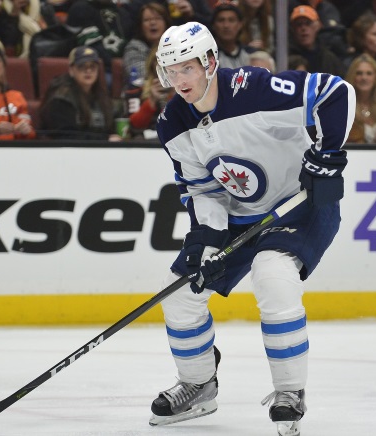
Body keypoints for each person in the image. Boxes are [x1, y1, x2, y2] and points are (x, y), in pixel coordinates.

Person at [150, 21, 354, 435]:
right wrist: (206, 242)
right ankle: (198, 383)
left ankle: (289, 393)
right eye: (170, 71)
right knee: (181, 295)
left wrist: (327, 153)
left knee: (272, 274)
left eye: (186, 68)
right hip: (239, 215)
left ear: (209, 62)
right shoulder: (173, 122)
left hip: (300, 206)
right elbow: (201, 188)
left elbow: (336, 93)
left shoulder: (254, 89)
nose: (178, 80)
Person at [38, 46, 121, 141]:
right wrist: (105, 139)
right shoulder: (61, 98)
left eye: (92, 67)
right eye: (82, 66)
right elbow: (66, 136)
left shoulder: (102, 96)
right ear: (71, 70)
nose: (88, 71)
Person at [344, 54, 376, 144]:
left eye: (369, 73)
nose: (364, 78)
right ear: (352, 77)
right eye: (359, 73)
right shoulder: (343, 105)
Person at [288, 4, 345, 77]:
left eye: (308, 23)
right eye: (299, 24)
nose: (303, 28)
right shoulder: (285, 57)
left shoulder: (329, 59)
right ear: (293, 29)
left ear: (317, 26)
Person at [211, 1, 257, 69]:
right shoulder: (208, 57)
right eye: (221, 20)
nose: (226, 25)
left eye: (231, 20)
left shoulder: (252, 54)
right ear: (213, 25)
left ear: (240, 24)